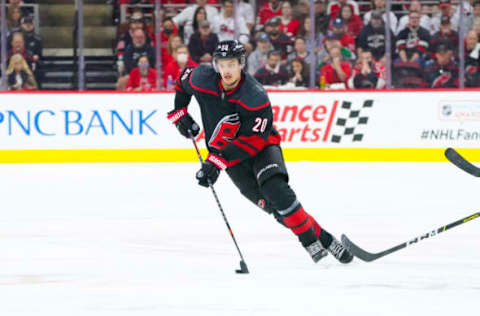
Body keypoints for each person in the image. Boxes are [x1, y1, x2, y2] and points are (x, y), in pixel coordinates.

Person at [167, 40, 353, 264]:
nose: (226, 71)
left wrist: (215, 161)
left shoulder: (254, 95)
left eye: (232, 65)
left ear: (241, 64)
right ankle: (325, 238)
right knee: (275, 208)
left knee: (276, 190)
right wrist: (180, 114)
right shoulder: (202, 78)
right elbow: (182, 81)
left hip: (261, 148)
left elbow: (253, 140)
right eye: (222, 65)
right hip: (229, 160)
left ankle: (309, 242)